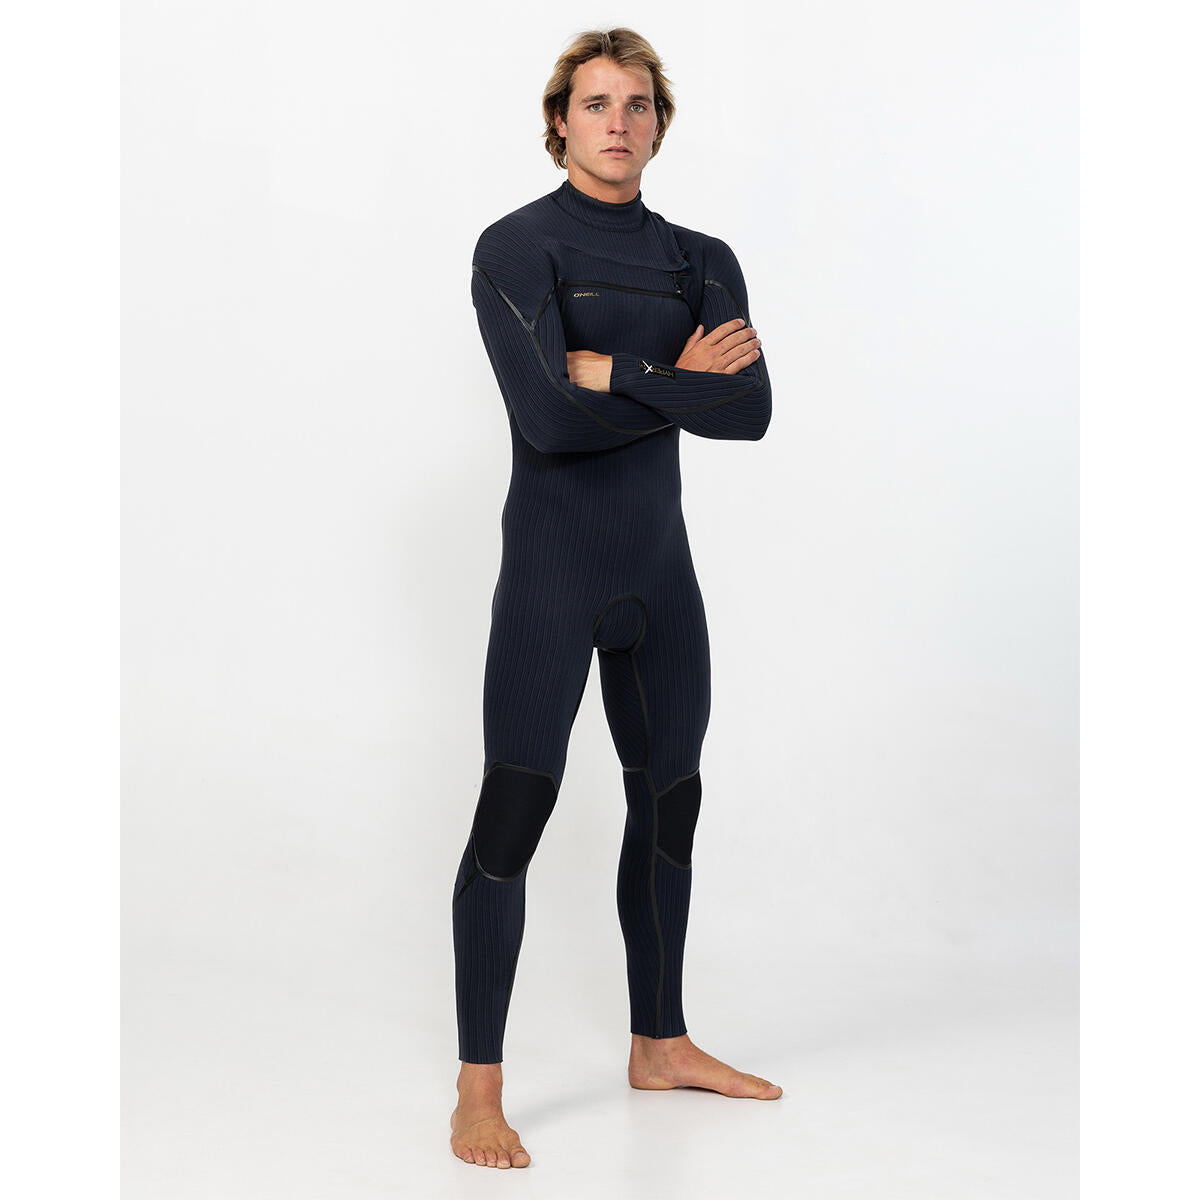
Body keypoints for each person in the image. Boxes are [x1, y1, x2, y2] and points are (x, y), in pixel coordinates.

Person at [449, 28, 782, 1169]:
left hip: (660, 578)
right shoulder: (517, 247)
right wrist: (683, 381)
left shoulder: (700, 259)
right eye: (596, 103)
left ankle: (661, 1043)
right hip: (553, 575)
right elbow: (548, 419)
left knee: (672, 804)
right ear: (560, 122)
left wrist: (619, 371)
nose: (618, 123)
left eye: (637, 104)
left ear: (659, 123)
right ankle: (478, 1092)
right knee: (513, 816)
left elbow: (750, 412)